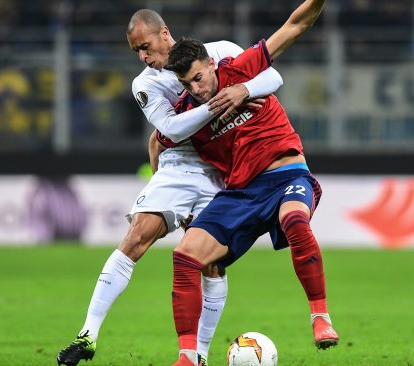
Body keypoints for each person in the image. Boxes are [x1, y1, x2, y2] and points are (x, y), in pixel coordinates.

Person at [56, 9, 284, 366]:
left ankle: (199, 357)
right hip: (178, 167)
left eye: (145, 47)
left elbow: (271, 77)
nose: (144, 57)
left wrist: (243, 89)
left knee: (210, 264)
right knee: (136, 237)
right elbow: (173, 130)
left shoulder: (219, 50)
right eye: (136, 52)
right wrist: (219, 104)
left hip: (220, 168)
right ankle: (87, 336)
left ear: (165, 33)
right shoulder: (144, 84)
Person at [161, 1, 337, 364]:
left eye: (198, 77)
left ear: (211, 64)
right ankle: (188, 356)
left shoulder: (239, 71)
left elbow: (294, 26)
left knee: (293, 219)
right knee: (185, 256)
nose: (196, 89)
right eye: (186, 84)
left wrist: (246, 89)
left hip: (286, 174)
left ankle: (320, 317)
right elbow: (158, 141)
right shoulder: (188, 115)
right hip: (240, 194)